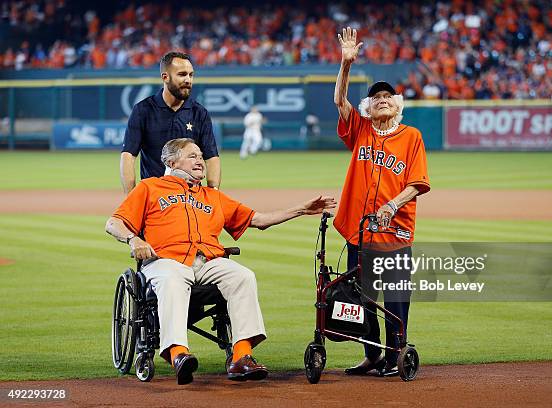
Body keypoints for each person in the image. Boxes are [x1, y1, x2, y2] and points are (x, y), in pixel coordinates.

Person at [106, 138, 336, 385]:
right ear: (172, 161)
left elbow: (258, 220)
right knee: (172, 279)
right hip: (165, 260)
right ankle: (178, 354)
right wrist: (133, 240)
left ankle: (241, 356)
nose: (200, 161)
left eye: (201, 156)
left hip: (207, 261)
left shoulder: (211, 196)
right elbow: (113, 223)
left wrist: (300, 209)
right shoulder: (150, 187)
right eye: (192, 155)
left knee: (242, 275)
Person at [333, 27, 430, 376]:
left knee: (396, 299)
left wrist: (391, 206)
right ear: (368, 108)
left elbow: (418, 183)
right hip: (360, 231)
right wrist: (346, 64)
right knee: (363, 298)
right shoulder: (360, 130)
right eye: (376, 98)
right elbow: (339, 102)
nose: (382, 99)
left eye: (388, 96)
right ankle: (373, 354)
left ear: (398, 105)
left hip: (396, 231)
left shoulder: (411, 137)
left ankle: (396, 355)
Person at [120, 51, 221, 194]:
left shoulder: (199, 113)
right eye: (182, 74)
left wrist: (213, 193)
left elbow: (212, 158)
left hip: (190, 199)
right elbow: (128, 156)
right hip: (154, 197)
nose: (188, 80)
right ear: (165, 77)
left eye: (191, 75)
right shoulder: (143, 110)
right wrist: (131, 197)